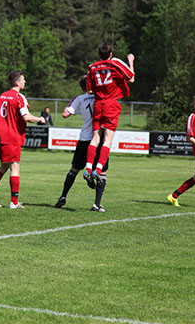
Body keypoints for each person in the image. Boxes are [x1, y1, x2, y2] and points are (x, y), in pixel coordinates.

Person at [0, 71, 45, 209]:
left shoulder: (1, 97)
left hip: (0, 136)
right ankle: (14, 202)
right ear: (17, 82)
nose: (25, 82)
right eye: (23, 80)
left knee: (4, 166)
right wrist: (39, 119)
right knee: (15, 167)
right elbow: (26, 117)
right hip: (12, 136)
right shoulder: (19, 97)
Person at [83, 42, 135, 189]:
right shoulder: (114, 62)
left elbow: (90, 90)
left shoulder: (92, 67)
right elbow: (131, 78)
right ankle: (97, 170)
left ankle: (88, 169)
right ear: (111, 54)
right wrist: (130, 61)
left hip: (98, 104)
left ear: (99, 54)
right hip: (111, 104)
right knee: (107, 140)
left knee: (95, 138)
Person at [55, 75, 108, 212]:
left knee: (74, 169)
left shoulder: (80, 99)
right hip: (99, 139)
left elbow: (65, 114)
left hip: (84, 139)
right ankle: (97, 204)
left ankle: (63, 196)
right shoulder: (101, 97)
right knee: (102, 172)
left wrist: (70, 102)